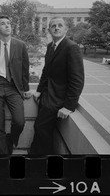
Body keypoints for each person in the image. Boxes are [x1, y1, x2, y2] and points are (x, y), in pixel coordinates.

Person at [29, 17, 84, 155]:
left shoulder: (71, 47)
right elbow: (46, 71)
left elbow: (77, 80)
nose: (56, 28)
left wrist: (69, 106)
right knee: (42, 129)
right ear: (49, 30)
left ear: (66, 29)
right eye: (53, 26)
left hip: (59, 99)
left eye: (60, 25)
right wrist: (39, 90)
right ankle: (34, 157)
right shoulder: (50, 46)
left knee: (40, 127)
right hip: (47, 96)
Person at [0, 15, 31, 154]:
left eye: (8, 23)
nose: (7, 25)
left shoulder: (20, 45)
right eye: (3, 24)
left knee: (19, 121)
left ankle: (11, 139)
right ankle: (5, 155)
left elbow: (25, 69)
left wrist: (26, 88)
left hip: (13, 86)